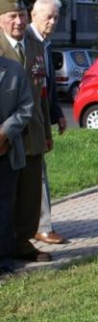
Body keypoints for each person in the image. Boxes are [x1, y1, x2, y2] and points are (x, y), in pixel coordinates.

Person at [0, 0, 52, 263]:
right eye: (12, 16)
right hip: (5, 136)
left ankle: (22, 242)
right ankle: (6, 245)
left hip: (32, 131)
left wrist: (48, 131)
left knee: (31, 192)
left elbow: (40, 90)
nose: (19, 22)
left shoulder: (34, 44)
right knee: (7, 194)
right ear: (0, 21)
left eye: (21, 15)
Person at [27, 0, 67, 245]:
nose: (52, 22)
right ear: (34, 16)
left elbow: (46, 84)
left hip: (40, 117)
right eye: (48, 17)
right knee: (36, 176)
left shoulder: (45, 43)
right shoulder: (27, 41)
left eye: (56, 18)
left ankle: (38, 225)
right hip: (26, 120)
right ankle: (42, 226)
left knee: (36, 174)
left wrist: (58, 113)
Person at [0, 56, 34, 276]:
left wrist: (3, 135)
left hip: (6, 151)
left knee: (3, 206)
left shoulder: (14, 70)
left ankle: (2, 258)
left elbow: (26, 108)